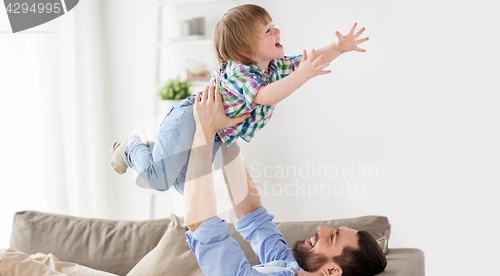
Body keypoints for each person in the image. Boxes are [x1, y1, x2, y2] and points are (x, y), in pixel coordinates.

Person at [0, 82, 386, 276]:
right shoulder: (294, 271)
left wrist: (204, 132)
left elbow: (203, 224)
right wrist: (228, 134)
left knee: (11, 267)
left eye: (330, 237)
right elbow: (251, 213)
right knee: (42, 263)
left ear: (333, 269)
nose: (320, 230)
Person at [110, 4, 369, 194]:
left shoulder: (274, 67)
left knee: (186, 189)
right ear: (246, 50)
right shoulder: (239, 72)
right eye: (269, 30)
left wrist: (338, 48)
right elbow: (264, 96)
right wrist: (302, 76)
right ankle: (131, 147)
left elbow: (311, 60)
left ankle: (157, 148)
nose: (278, 31)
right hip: (191, 119)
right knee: (158, 180)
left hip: (216, 134)